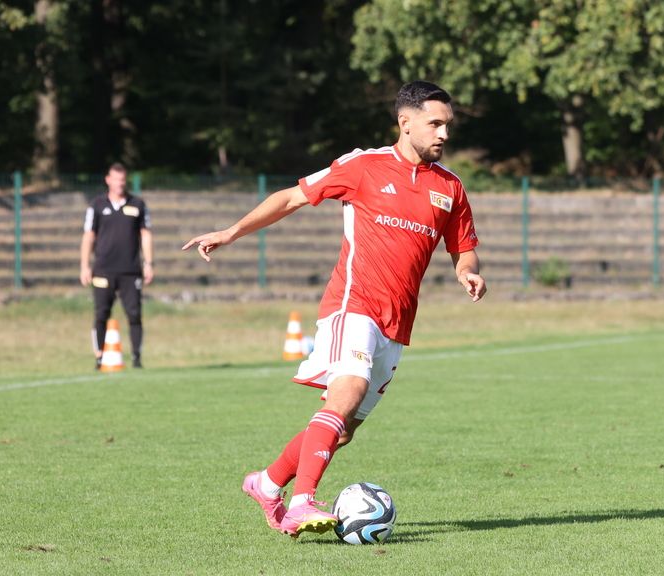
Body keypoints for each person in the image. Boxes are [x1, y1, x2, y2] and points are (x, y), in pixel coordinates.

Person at [183, 81, 486, 538]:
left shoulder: (450, 188)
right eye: (435, 123)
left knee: (342, 430)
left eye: (448, 125)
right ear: (405, 123)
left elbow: (463, 248)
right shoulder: (364, 165)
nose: (444, 133)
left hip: (398, 324)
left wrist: (468, 271)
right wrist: (231, 232)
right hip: (354, 305)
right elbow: (290, 197)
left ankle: (266, 484)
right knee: (347, 392)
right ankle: (302, 502)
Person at [80, 163, 153, 369]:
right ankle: (99, 356)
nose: (120, 183)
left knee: (134, 314)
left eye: (123, 180)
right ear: (108, 180)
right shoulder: (96, 205)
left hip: (130, 270)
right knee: (101, 313)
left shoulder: (137, 204)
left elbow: (146, 235)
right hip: (103, 269)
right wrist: (85, 266)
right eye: (116, 179)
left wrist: (148, 263)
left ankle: (137, 357)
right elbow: (88, 236)